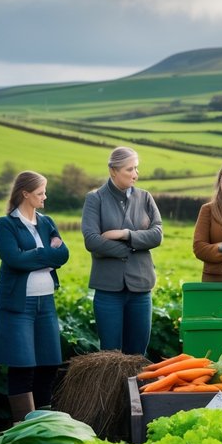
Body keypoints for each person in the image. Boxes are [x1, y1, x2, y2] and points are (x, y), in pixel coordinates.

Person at [0, 171, 70, 422]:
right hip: (17, 305)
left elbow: (64, 255)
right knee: (22, 366)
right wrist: (47, 252)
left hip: (45, 302)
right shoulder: (6, 225)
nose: (44, 197)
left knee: (48, 364)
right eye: (40, 193)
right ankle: (23, 427)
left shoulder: (47, 222)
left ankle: (43, 424)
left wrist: (34, 255)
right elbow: (13, 259)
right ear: (25, 193)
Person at [81, 146, 162, 355]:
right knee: (110, 355)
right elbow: (91, 241)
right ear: (113, 171)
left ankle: (133, 390)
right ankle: (113, 390)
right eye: (129, 169)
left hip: (141, 288)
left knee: (137, 355)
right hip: (108, 290)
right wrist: (131, 249)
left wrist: (125, 234)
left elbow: (157, 234)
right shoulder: (95, 199)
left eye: (136, 169)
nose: (135, 174)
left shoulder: (145, 197)